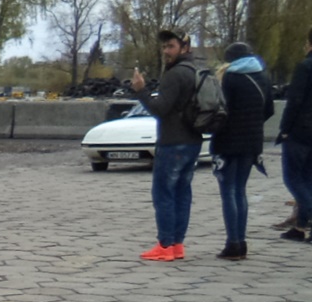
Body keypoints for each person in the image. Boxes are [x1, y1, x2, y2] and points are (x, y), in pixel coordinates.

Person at [130, 30, 203, 261]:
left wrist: (141, 91)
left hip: (173, 141)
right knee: (182, 192)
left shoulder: (175, 74)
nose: (166, 52)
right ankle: (177, 245)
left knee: (163, 193)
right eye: (164, 47)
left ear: (185, 48)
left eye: (171, 46)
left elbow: (160, 108)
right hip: (193, 141)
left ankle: (164, 245)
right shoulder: (196, 71)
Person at [210, 42, 275, 260]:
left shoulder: (231, 77)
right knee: (240, 190)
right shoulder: (263, 76)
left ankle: (233, 243)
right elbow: (270, 110)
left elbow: (222, 109)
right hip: (252, 141)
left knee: (228, 190)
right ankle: (242, 242)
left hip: (228, 141)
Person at [278, 27, 312, 242]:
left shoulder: (305, 67)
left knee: (293, 178)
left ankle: (305, 220)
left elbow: (295, 101)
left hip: (301, 131)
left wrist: (285, 129)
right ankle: (300, 227)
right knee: (308, 178)